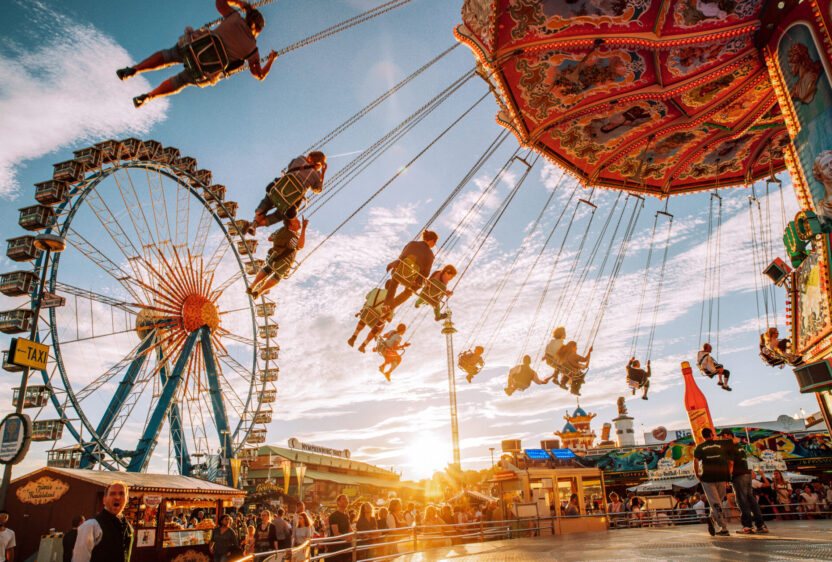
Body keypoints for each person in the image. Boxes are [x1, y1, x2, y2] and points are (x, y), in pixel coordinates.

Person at [120, 1, 277, 108]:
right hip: (203, 71)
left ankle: (135, 69)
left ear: (247, 17)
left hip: (193, 48)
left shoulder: (234, 17)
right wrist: (271, 60)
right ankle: (150, 96)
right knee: (180, 81)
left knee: (169, 55)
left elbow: (220, 2)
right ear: (259, 30)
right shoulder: (252, 49)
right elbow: (259, 75)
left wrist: (242, 4)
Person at [251, 152, 327, 225]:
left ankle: (255, 219)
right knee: (282, 214)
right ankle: (257, 225)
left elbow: (289, 167)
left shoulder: (299, 159)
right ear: (319, 165)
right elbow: (318, 190)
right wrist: (322, 174)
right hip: (291, 201)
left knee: (269, 199)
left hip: (279, 189)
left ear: (310, 157)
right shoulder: (316, 175)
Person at [719, 429, 768, 534]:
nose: (721, 439)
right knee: (751, 499)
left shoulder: (730, 447)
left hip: (738, 475)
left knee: (742, 500)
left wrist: (728, 478)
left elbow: (731, 463)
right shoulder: (740, 447)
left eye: (722, 436)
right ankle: (761, 525)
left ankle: (747, 526)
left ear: (727, 435)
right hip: (747, 474)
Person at [247, 217, 308, 299]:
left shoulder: (281, 230)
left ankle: (252, 285)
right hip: (284, 262)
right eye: (296, 221)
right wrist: (304, 228)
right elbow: (300, 246)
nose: (299, 222)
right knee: (277, 277)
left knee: (268, 269)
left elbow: (270, 238)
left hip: (273, 256)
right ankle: (259, 292)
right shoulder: (292, 237)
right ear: (291, 225)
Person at [73, 481, 134, 562]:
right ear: (104, 500)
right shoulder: (91, 526)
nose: (117, 497)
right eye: (112, 494)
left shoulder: (128, 526)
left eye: (121, 494)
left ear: (127, 500)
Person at [385, 231, 439, 311]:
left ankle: (386, 304)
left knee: (394, 282)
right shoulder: (430, 255)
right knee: (408, 292)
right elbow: (426, 273)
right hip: (413, 280)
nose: (434, 245)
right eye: (435, 242)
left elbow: (401, 257)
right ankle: (391, 307)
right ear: (431, 240)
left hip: (400, 272)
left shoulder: (411, 243)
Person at [693, 427, 732, 536]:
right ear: (711, 434)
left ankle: (717, 523)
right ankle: (721, 525)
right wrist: (728, 475)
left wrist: (697, 474)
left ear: (703, 436)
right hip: (721, 476)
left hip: (708, 478)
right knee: (718, 501)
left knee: (715, 503)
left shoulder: (700, 447)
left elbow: (695, 462)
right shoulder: (721, 445)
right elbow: (730, 461)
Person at [348, 287, 393, 353]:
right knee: (381, 324)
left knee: (366, 314)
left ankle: (354, 336)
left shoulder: (376, 290)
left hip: (366, 314)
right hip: (376, 321)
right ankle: (363, 345)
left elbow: (367, 297)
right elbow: (389, 319)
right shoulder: (391, 300)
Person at [328, 494, 352, 562]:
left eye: (347, 499)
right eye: (344, 499)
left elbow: (350, 530)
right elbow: (336, 533)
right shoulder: (334, 516)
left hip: (346, 547)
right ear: (338, 502)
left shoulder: (346, 516)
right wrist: (347, 538)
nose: (346, 501)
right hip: (337, 548)